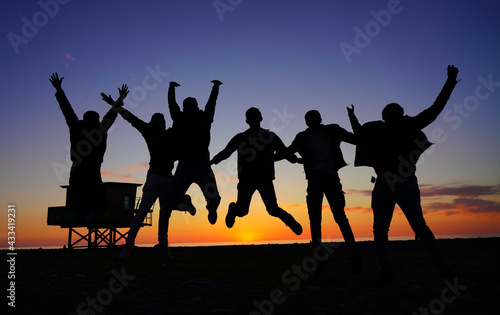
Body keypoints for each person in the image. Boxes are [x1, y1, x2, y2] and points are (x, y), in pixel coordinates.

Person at [347, 65, 460, 283]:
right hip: (385, 183)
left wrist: (449, 83)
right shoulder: (376, 128)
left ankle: (443, 269)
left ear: (397, 113)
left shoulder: (407, 124)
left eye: (393, 111)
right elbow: (359, 134)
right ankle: (388, 271)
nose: (391, 114)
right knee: (382, 228)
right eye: (389, 112)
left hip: (402, 181)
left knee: (413, 226)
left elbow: (435, 110)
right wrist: (353, 117)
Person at [100, 90, 196, 261]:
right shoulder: (150, 131)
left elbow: (181, 137)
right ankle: (129, 246)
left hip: (166, 177)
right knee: (144, 212)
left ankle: (162, 245)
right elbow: (130, 117)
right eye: (158, 119)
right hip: (156, 177)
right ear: (154, 122)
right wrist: (115, 103)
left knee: (163, 213)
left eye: (162, 119)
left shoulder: (168, 134)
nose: (161, 121)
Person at [287, 110, 361, 273]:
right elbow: (288, 151)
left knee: (340, 217)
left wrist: (352, 118)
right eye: (309, 119)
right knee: (315, 220)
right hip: (314, 180)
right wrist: (267, 157)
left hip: (331, 179)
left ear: (320, 119)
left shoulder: (332, 130)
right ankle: (319, 259)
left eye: (314, 118)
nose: (312, 121)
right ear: (306, 121)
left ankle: (354, 255)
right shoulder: (302, 137)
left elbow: (356, 139)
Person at [211, 107, 303, 235]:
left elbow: (284, 151)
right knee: (243, 211)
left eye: (255, 116)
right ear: (247, 121)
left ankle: (290, 221)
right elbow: (226, 152)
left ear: (260, 118)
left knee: (272, 209)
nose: (253, 119)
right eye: (251, 117)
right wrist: (214, 160)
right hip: (246, 179)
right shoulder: (240, 137)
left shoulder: (270, 136)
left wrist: (295, 159)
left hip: (264, 178)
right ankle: (234, 209)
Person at [49, 73, 127, 223]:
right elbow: (111, 116)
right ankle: (90, 209)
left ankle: (86, 210)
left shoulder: (77, 127)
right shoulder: (100, 130)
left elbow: (67, 110)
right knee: (99, 208)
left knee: (84, 208)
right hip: (92, 175)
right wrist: (120, 100)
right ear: (96, 120)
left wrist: (59, 90)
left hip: (79, 174)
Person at [166, 80, 223, 225]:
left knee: (214, 199)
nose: (190, 110)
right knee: (171, 201)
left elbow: (211, 104)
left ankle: (211, 208)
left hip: (201, 164)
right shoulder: (181, 118)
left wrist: (215, 88)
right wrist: (215, 87)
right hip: (185, 164)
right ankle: (186, 201)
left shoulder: (203, 117)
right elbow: (173, 105)